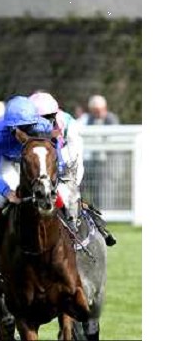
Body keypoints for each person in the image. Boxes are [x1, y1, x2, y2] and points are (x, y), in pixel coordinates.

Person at [30, 91, 116, 245]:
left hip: (66, 165)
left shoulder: (69, 125)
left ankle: (73, 231)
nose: (42, 123)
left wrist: (68, 185)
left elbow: (74, 161)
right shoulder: (25, 124)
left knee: (67, 193)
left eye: (47, 118)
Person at [0, 96, 53, 265]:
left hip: (31, 160)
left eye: (27, 128)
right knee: (4, 191)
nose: (22, 133)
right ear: (9, 126)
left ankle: (69, 221)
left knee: (54, 190)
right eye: (18, 128)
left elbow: (55, 157)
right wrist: (6, 192)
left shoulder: (45, 128)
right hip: (8, 161)